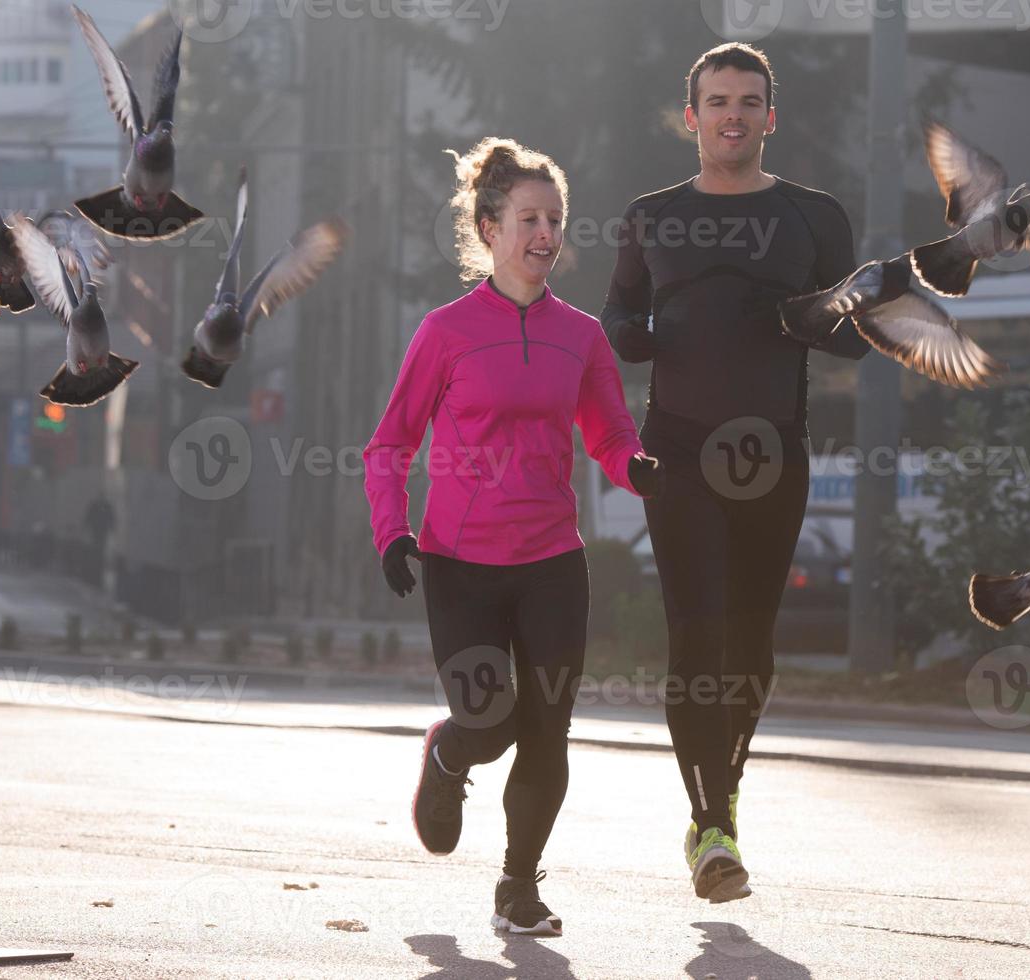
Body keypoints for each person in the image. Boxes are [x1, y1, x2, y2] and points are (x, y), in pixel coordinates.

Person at [364, 137, 663, 937]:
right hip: (461, 564)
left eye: (556, 219)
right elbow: (389, 445)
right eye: (529, 218)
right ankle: (449, 754)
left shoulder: (581, 335)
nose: (546, 233)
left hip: (552, 564)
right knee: (491, 722)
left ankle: (518, 886)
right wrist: (393, 533)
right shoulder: (446, 332)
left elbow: (609, 435)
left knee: (547, 729)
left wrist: (643, 471)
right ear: (489, 228)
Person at [600, 43, 871, 903]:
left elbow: (850, 331)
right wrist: (631, 337)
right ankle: (711, 823)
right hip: (676, 450)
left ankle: (725, 787)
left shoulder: (815, 216)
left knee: (750, 647)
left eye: (749, 102)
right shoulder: (650, 215)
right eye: (717, 100)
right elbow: (616, 310)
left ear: (770, 117)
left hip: (771, 451)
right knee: (695, 633)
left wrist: (795, 320)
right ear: (692, 117)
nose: (733, 115)